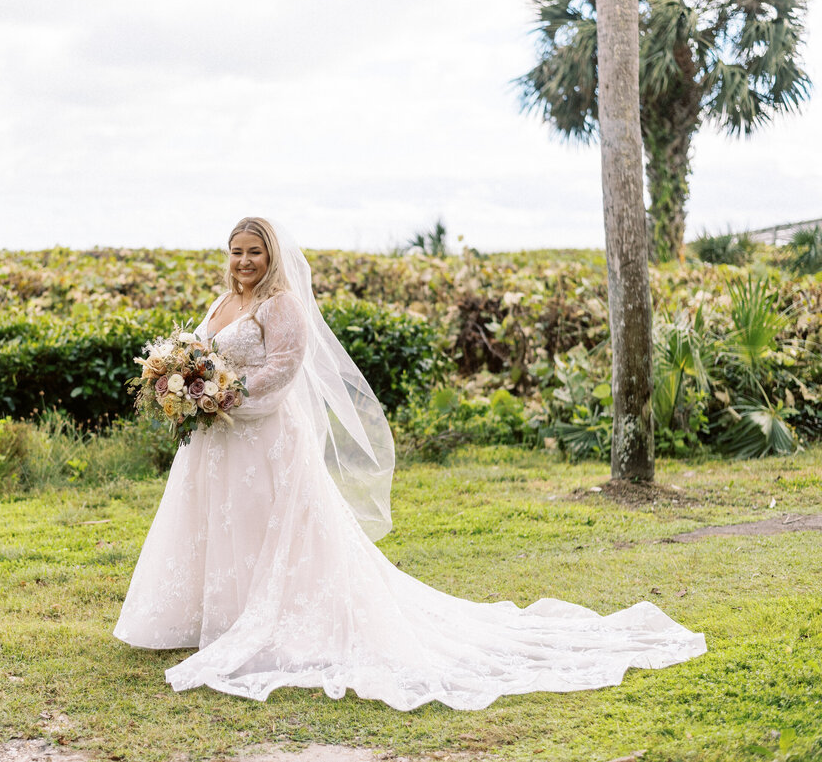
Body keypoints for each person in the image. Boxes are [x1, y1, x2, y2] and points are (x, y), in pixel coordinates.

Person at [113, 217, 705, 711]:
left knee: (263, 529)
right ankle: (211, 617)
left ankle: (267, 621)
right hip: (217, 441)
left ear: (271, 256)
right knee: (220, 528)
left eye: (254, 252)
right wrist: (184, 383)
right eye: (237, 252)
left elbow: (280, 372)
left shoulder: (280, 304)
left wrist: (225, 396)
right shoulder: (222, 301)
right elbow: (202, 354)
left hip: (261, 436)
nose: (244, 261)